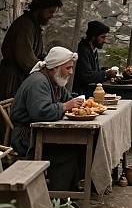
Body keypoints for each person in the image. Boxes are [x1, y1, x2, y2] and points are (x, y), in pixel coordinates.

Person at [10, 46, 85, 190]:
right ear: (55, 67)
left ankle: (72, 189)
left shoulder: (54, 80)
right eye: (68, 68)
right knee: (67, 153)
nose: (71, 72)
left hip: (41, 133)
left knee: (80, 146)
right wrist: (65, 107)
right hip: (26, 137)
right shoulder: (39, 82)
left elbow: (67, 99)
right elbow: (40, 112)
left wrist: (78, 104)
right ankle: (57, 198)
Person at [0, 0, 62, 100]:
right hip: (14, 78)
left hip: (21, 76)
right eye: (50, 11)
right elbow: (26, 59)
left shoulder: (34, 25)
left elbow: (39, 54)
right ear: (40, 9)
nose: (52, 16)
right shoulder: (25, 25)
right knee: (13, 112)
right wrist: (46, 71)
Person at [74, 21, 117, 95]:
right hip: (82, 93)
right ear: (93, 37)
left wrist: (105, 70)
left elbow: (93, 71)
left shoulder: (93, 49)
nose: (105, 41)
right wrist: (105, 74)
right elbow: (86, 76)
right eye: (102, 37)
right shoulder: (83, 50)